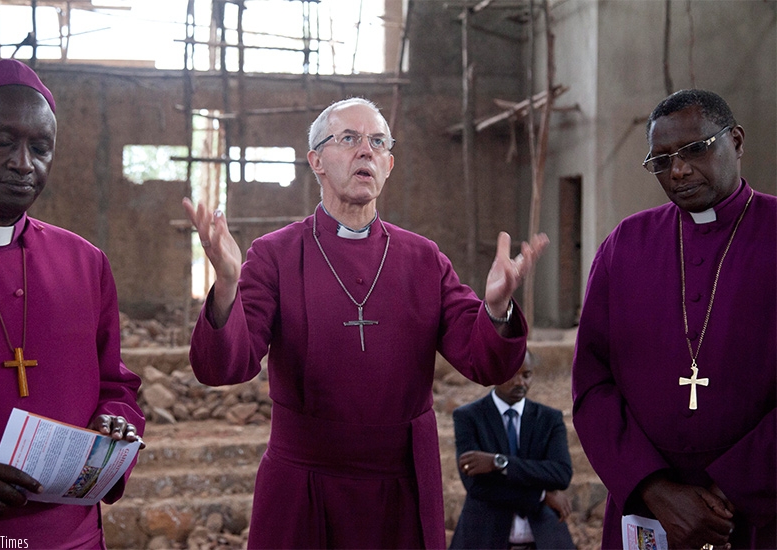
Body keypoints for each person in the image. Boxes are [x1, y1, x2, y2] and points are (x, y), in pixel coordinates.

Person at [183, 97, 549, 548]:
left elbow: (486, 363)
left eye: (377, 142)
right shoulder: (275, 254)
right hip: (305, 485)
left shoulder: (423, 259)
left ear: (388, 165)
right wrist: (226, 283)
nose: (366, 151)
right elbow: (224, 366)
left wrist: (496, 308)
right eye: (349, 139)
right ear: (316, 161)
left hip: (402, 487)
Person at [0, 59, 145, 548]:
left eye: (40, 148)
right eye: (1, 141)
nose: (23, 163)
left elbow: (115, 384)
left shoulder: (85, 262)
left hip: (73, 537)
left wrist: (115, 422)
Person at [572, 89, 775, 549]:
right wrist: (655, 489)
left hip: (761, 507)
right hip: (649, 511)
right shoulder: (624, 246)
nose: (678, 170)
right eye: (661, 160)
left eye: (694, 149)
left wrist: (732, 490)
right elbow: (591, 384)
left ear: (736, 141)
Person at [450, 350, 575, 550]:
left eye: (526, 375)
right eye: (512, 374)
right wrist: (542, 495)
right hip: (484, 539)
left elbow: (561, 474)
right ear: (494, 373)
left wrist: (498, 463)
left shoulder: (549, 419)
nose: (520, 382)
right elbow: (476, 486)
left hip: (544, 539)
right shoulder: (469, 417)